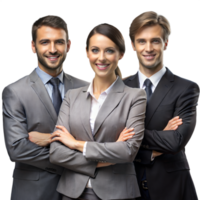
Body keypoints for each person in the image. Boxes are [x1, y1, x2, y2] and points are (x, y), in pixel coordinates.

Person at [49, 22, 147, 200]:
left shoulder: (135, 97)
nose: (101, 58)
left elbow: (128, 151)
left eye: (109, 51)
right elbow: (56, 153)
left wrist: (76, 144)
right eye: (95, 50)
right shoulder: (72, 96)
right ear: (86, 52)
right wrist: (106, 159)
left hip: (117, 193)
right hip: (72, 193)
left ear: (121, 55)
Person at [1, 14, 89, 200]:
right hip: (33, 193)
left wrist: (50, 138)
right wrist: (77, 158)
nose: (52, 49)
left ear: (69, 46)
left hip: (81, 191)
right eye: (44, 42)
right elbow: (17, 148)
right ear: (32, 46)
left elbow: (98, 138)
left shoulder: (86, 88)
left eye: (59, 42)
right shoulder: (14, 91)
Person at [123, 10, 199, 200]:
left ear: (166, 43)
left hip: (172, 186)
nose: (148, 48)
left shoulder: (186, 88)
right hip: (126, 185)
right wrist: (158, 140)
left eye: (155, 41)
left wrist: (130, 134)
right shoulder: (119, 88)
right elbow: (108, 138)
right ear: (132, 45)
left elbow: (176, 141)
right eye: (141, 41)